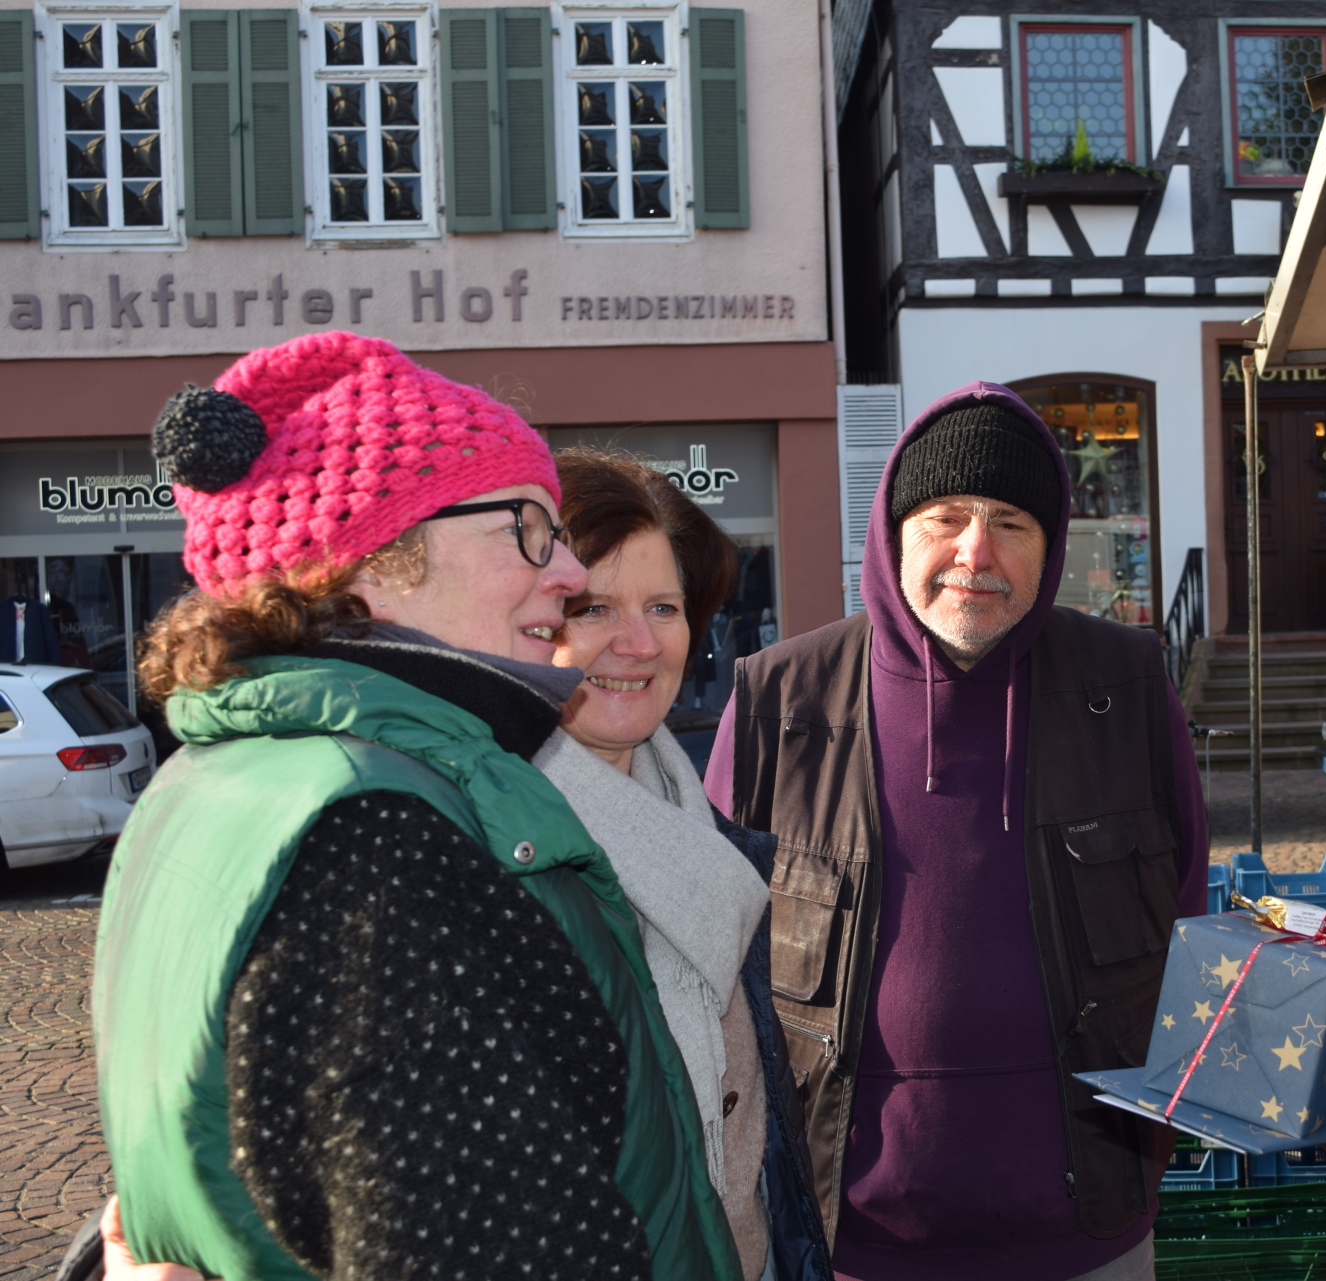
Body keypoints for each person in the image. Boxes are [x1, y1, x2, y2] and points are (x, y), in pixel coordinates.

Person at [93, 332, 740, 1281]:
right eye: (525, 527)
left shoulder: (213, 781)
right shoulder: (374, 835)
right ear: (373, 561)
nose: (567, 573)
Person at [704, 383, 1210, 1281]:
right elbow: (713, 959)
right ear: (894, 531)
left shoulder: (1126, 685)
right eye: (945, 517)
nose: (976, 552)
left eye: (1011, 523)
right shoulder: (778, 700)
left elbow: (1188, 910)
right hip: (848, 1244)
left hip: (1091, 1235)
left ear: (1051, 546)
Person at [540, 449, 831, 1280]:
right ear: (530, 619)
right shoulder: (504, 845)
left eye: (663, 607)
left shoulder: (701, 827)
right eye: (593, 607)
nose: (638, 643)